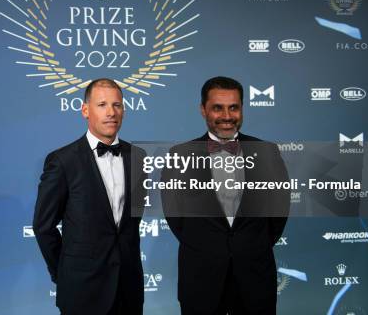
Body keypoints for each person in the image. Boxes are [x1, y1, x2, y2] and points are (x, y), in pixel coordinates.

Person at [161, 76, 290, 315]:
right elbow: (176, 218)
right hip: (201, 279)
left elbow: (279, 212)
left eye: (234, 107)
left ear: (242, 109)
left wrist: (250, 245)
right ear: (203, 110)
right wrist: (208, 246)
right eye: (217, 108)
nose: (227, 116)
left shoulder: (267, 152)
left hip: (255, 278)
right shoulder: (179, 155)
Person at [33, 78, 146, 315]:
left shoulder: (139, 157)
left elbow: (130, 225)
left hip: (129, 289)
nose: (111, 112)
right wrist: (63, 273)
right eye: (102, 105)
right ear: (85, 110)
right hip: (81, 291)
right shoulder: (63, 161)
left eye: (117, 105)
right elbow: (43, 227)